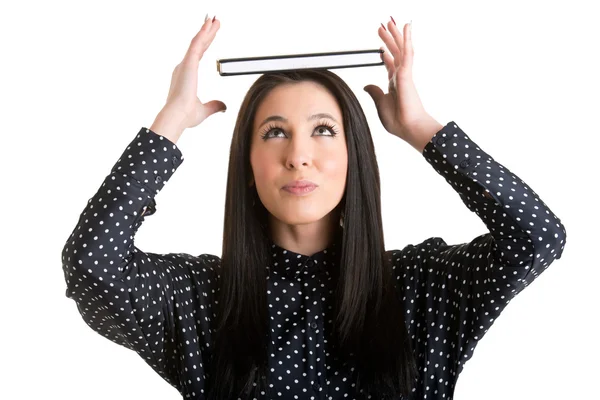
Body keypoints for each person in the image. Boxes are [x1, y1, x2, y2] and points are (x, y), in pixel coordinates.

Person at [61, 15, 567, 400]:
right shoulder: (202, 301)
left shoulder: (421, 287)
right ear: (248, 161)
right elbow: (91, 263)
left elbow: (538, 238)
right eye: (275, 131)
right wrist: (169, 121)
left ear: (355, 155)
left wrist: (422, 130)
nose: (298, 154)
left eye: (323, 130)